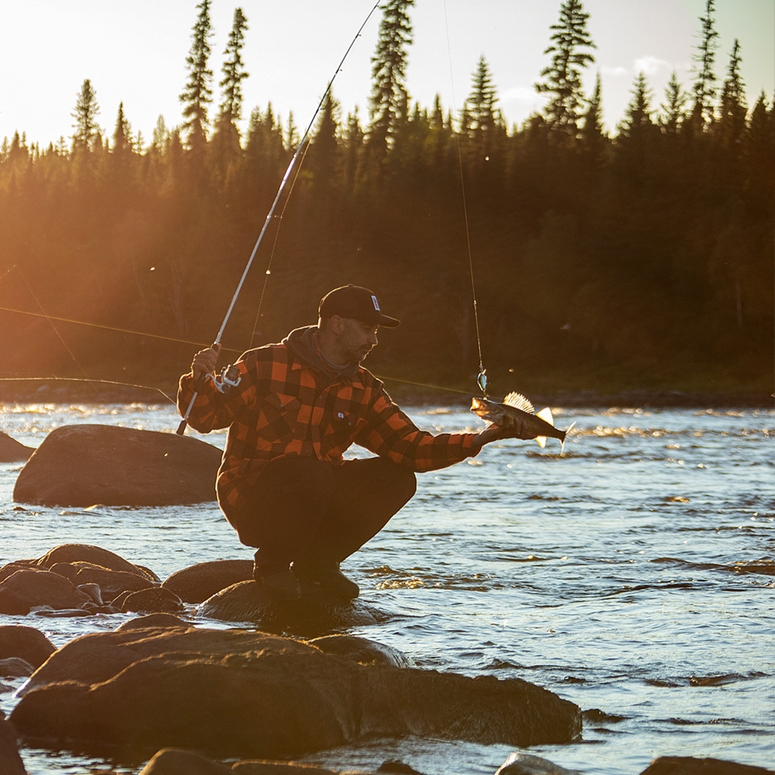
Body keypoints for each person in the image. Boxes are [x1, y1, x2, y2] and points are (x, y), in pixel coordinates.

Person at [177, 284, 527, 602]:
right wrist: (199, 378)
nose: (374, 341)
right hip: (253, 500)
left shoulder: (364, 387)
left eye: (375, 331)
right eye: (367, 329)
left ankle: (317, 565)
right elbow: (206, 419)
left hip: (315, 495)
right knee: (309, 472)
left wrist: (480, 439)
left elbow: (411, 446)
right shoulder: (264, 363)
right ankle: (272, 566)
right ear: (336, 324)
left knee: (398, 476)